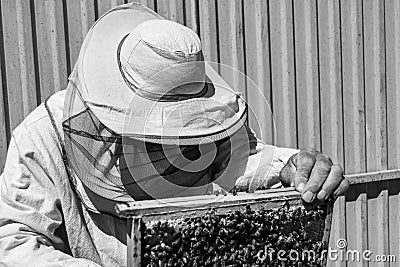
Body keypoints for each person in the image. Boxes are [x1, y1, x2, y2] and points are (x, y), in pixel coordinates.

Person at [0, 3, 348, 266]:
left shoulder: (209, 120)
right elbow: (11, 242)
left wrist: (292, 165)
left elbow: (241, 161)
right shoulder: (41, 138)